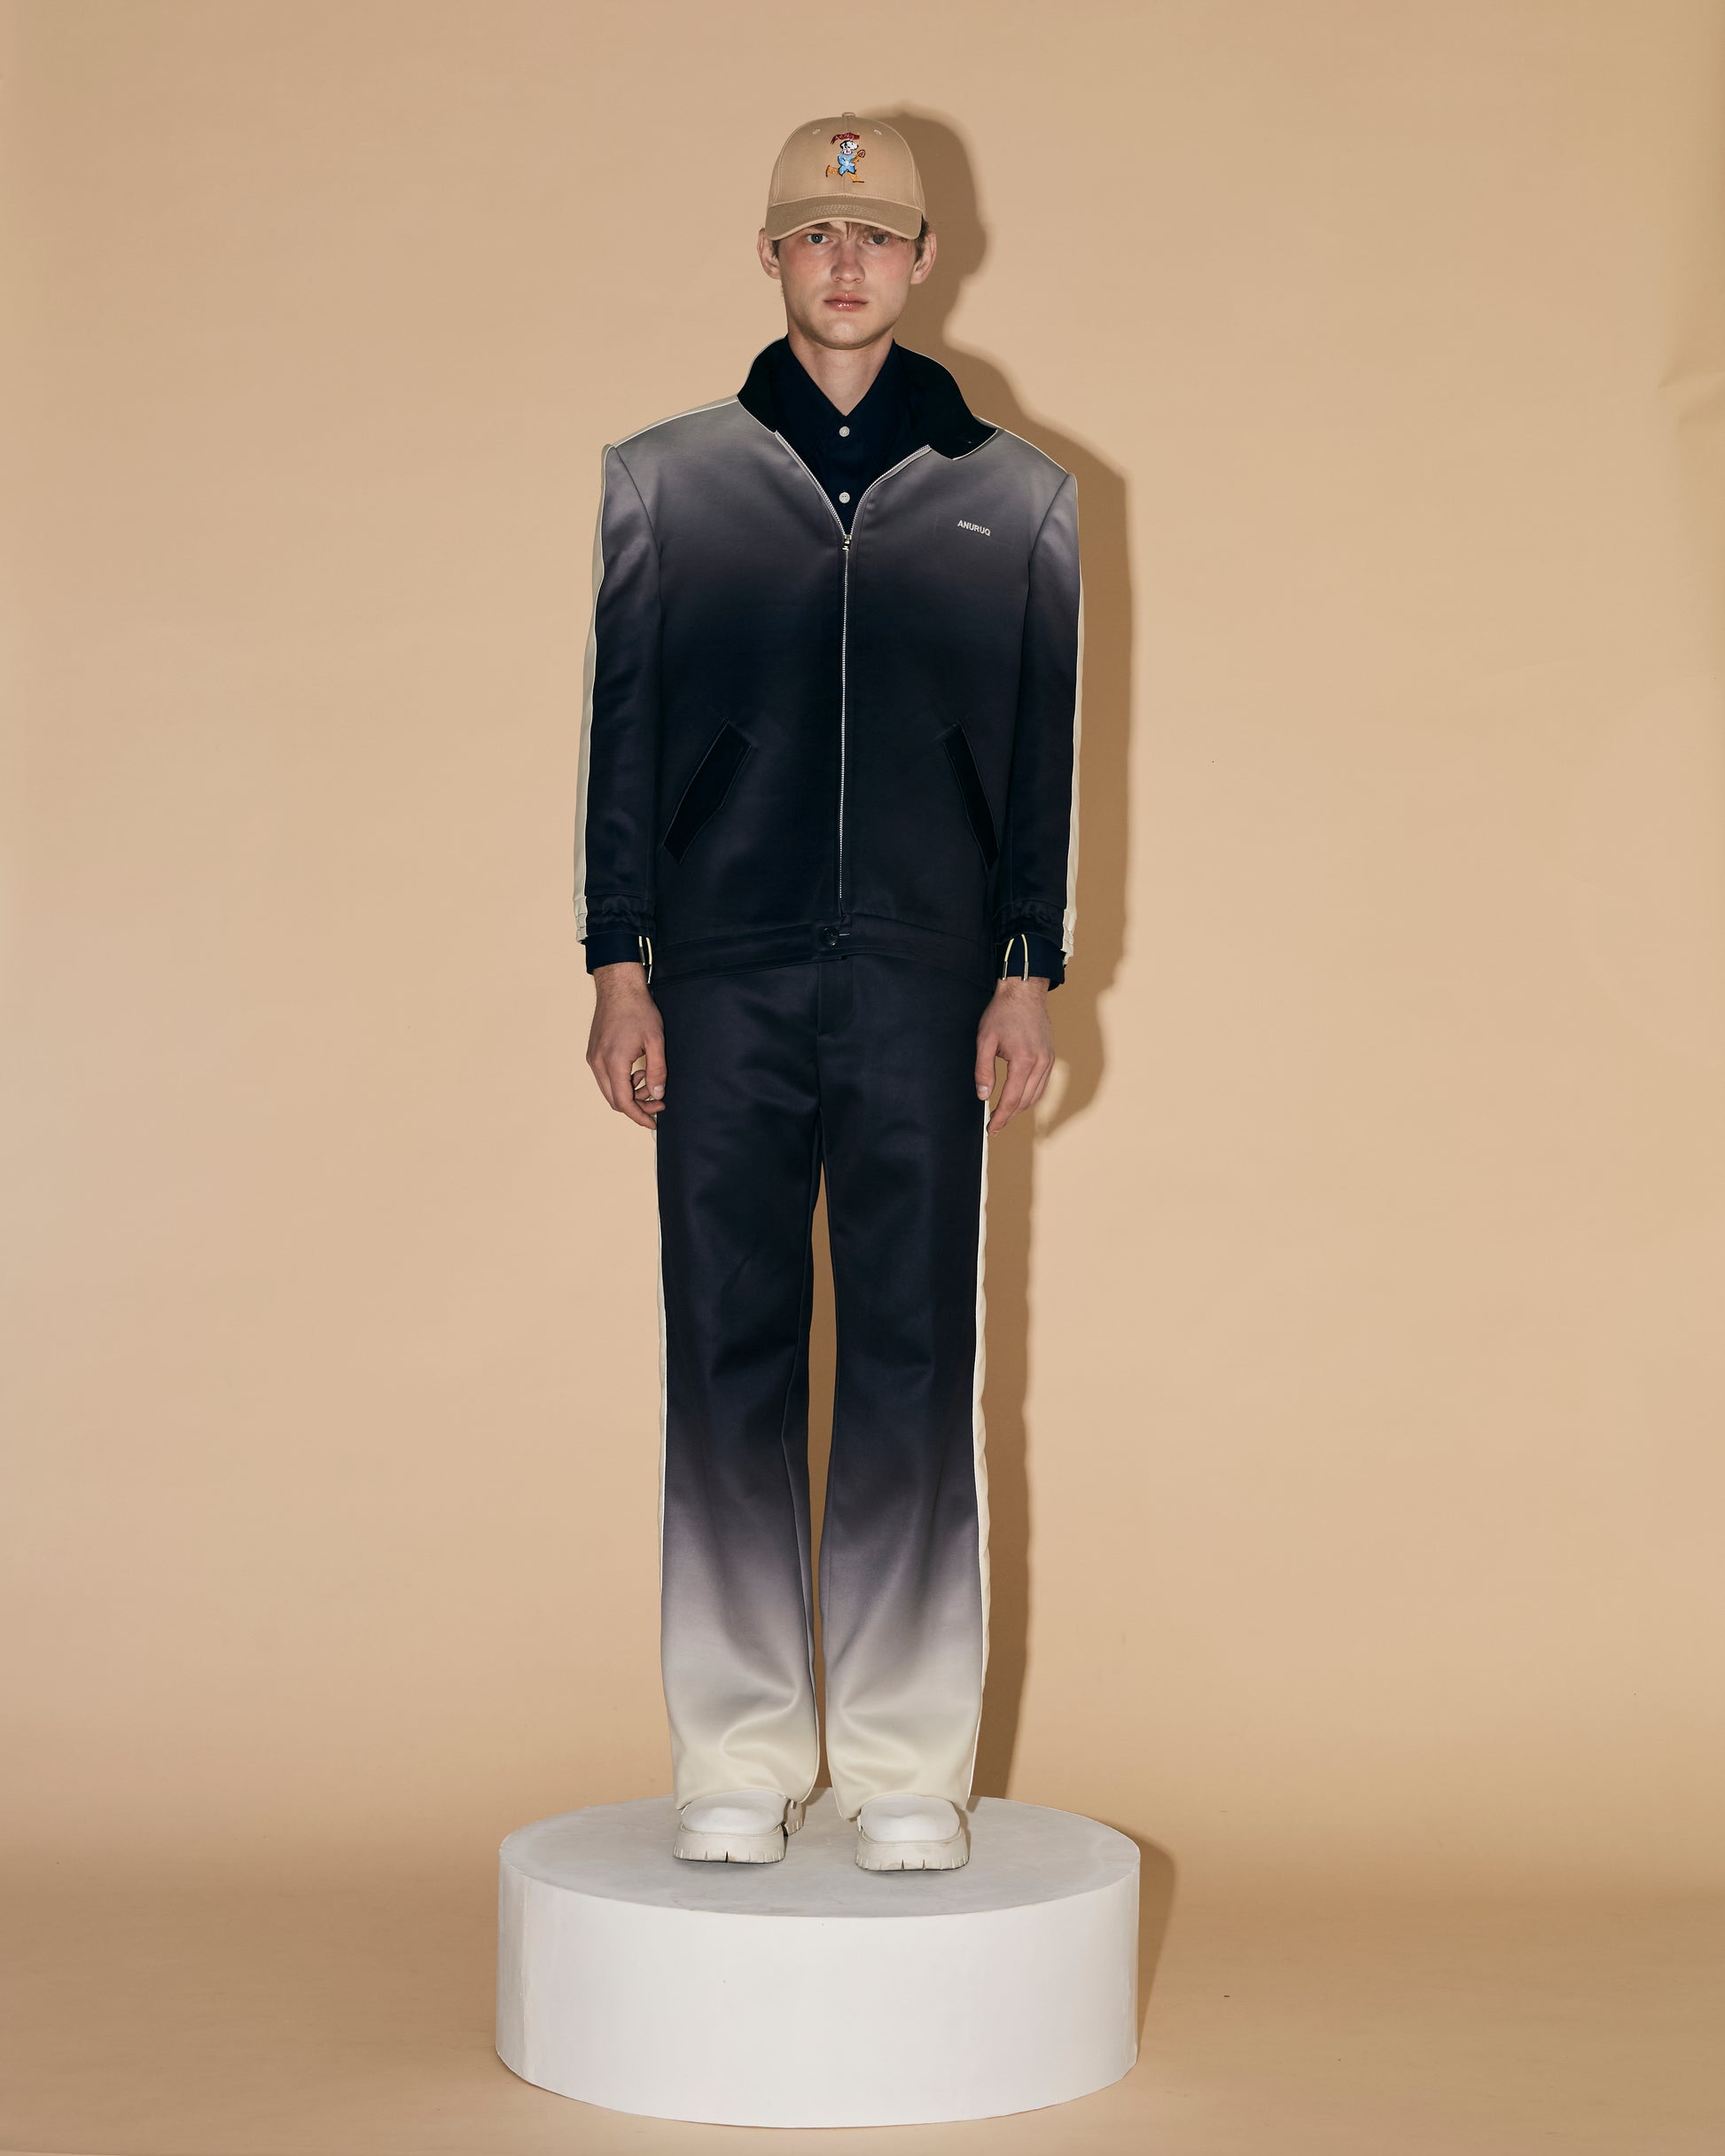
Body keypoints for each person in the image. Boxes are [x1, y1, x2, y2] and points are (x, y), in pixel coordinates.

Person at [574, 111, 1081, 1871]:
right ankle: (730, 1751)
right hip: (720, 976)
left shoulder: (1021, 498)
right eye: (812, 234)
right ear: (772, 258)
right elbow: (620, 744)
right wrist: (618, 965)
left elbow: (1041, 763)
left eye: (873, 238)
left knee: (912, 1357)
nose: (844, 262)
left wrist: (1027, 970)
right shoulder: (665, 482)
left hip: (929, 983)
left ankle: (903, 1765)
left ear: (925, 259)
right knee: (723, 1353)